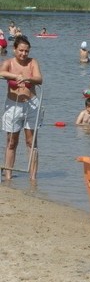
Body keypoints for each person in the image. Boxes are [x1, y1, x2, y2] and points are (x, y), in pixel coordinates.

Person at [1, 35, 43, 180]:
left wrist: (27, 78)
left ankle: (33, 178)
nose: (24, 54)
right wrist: (15, 76)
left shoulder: (32, 62)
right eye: (21, 50)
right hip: (13, 105)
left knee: (31, 141)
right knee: (11, 141)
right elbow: (1, 72)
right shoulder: (9, 62)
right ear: (14, 49)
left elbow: (39, 79)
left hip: (31, 103)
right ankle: (8, 176)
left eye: (26, 51)